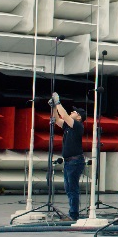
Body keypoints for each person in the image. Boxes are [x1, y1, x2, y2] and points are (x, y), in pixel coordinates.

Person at [50, 92, 86, 221]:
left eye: (75, 112)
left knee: (72, 189)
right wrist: (54, 107)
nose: (73, 112)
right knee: (69, 189)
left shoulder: (77, 126)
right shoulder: (68, 126)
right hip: (69, 162)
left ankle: (73, 215)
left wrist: (58, 102)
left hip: (75, 162)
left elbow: (64, 115)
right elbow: (57, 119)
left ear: (79, 117)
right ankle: (72, 213)